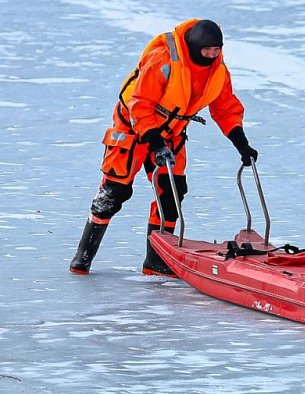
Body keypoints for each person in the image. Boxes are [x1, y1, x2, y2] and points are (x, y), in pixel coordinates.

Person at [70, 19, 258, 277]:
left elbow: (225, 107)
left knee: (171, 195)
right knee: (114, 192)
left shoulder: (218, 71)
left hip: (171, 133)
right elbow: (141, 104)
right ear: (194, 46)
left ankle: (156, 261)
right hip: (133, 129)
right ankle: (83, 256)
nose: (212, 55)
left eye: (217, 50)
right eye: (207, 51)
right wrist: (155, 143)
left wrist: (241, 143)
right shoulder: (163, 60)